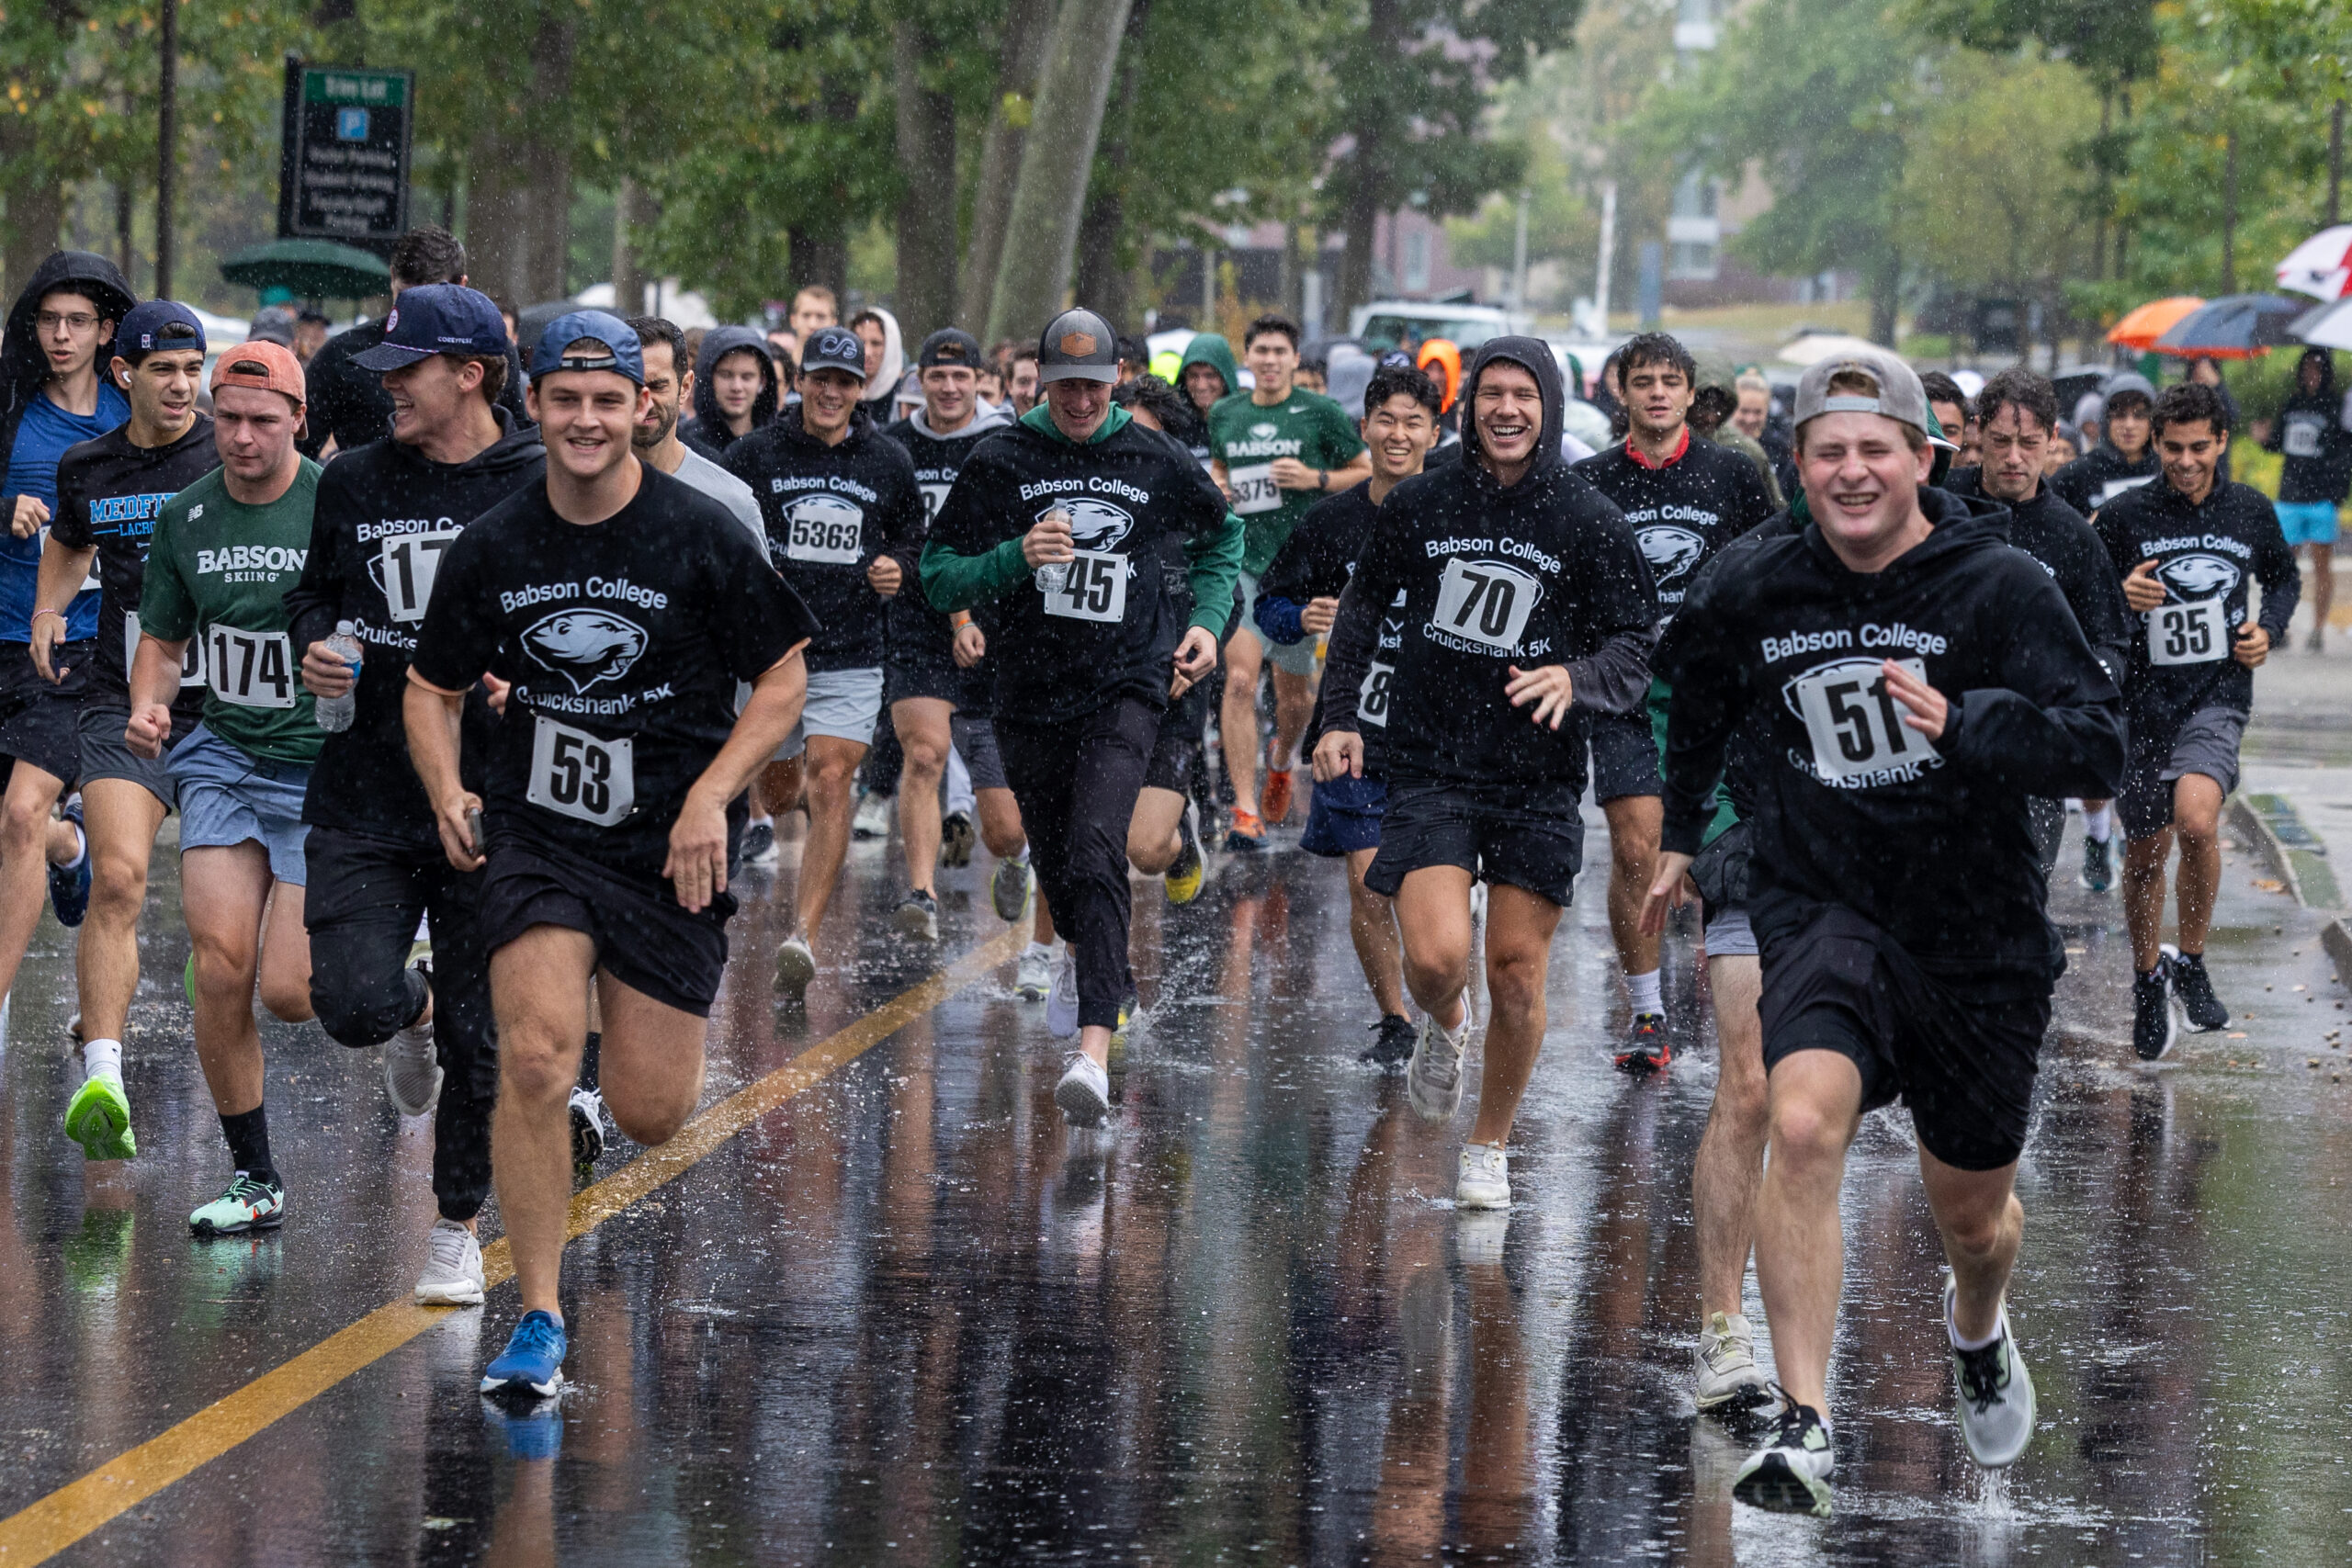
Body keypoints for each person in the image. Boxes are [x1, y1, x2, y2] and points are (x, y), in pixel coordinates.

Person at [1647, 347, 2124, 1514]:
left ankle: (1978, 1325)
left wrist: (1966, 718)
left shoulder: (2000, 583)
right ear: (1797, 468)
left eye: (1875, 450)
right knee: (1799, 1122)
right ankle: (1808, 1423)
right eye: (1827, 452)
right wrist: (1676, 830)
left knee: (1972, 1218)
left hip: (1976, 927)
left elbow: (2096, 743)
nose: (1851, 472)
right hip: (1822, 898)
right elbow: (1695, 691)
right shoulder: (1752, 583)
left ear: (1923, 458)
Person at [405, 310, 815, 1400]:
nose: (585, 420)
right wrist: (448, 785)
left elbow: (782, 680)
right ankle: (537, 1313)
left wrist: (712, 798)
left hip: (669, 841)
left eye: (606, 400)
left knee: (648, 1112)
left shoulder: (699, 531)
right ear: (532, 408)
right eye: (564, 400)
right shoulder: (493, 542)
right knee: (535, 1057)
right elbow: (431, 687)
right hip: (537, 830)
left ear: (643, 405)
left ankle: (616, 1051)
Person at [1317, 337, 1657, 1210]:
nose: (1507, 410)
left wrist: (1573, 678)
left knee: (1514, 968)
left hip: (1536, 774)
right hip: (1431, 759)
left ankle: (1489, 1143)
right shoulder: (1425, 500)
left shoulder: (1587, 519)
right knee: (1435, 960)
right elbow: (1362, 610)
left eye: (1524, 396)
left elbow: (1632, 650)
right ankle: (1446, 1025)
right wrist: (1340, 714)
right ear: (1467, 406)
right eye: (1491, 395)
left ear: (1547, 408)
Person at [283, 284, 547, 1303]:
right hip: (364, 789)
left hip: (493, 798)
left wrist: (524, 676)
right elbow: (315, 592)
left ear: (471, 375)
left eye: (408, 371)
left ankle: (453, 1226)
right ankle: (412, 1008)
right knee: (346, 1003)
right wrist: (320, 641)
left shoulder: (535, 482)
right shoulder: (352, 480)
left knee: (485, 1033)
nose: (385, 385)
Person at [922, 309, 1239, 1126]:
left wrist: (1205, 623)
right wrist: (1011, 558)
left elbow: (1222, 539)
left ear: (1113, 382)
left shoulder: (1151, 452)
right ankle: (1083, 958)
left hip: (1127, 684)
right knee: (1061, 864)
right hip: (1026, 691)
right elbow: (939, 575)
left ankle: (1092, 1050)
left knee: (1102, 845)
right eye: (1063, 386)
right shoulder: (1002, 457)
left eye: (1093, 386)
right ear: (1038, 383)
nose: (1079, 400)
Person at [128, 341, 325, 1235]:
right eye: (228, 418)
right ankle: (255, 1177)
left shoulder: (335, 505)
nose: (240, 438)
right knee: (220, 968)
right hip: (224, 757)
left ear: (298, 420)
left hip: (323, 767)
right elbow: (165, 642)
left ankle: (410, 971)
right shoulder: (187, 516)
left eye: (261, 420)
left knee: (289, 990)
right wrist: (147, 707)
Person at [1571, 332, 1777, 1073]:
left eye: (1670, 381)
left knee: (1705, 859)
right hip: (1624, 685)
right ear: (1620, 392)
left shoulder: (1732, 475)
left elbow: (1767, 571)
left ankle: (1740, 982)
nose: (1657, 393)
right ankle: (1648, 1008)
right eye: (1643, 381)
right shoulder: (1591, 481)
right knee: (1636, 845)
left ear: (1692, 394)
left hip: (1712, 690)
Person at [42, 300, 217, 1162]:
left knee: (229, 928)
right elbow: (71, 544)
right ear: (125, 376)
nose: (182, 385)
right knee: (115, 878)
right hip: (122, 699)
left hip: (230, 710)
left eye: (193, 369)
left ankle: (219, 957)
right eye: (163, 370)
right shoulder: (89, 466)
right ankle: (103, 1074)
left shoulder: (235, 451)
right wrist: (48, 607)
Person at [2102, 381, 2298, 1061]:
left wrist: (2265, 629)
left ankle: (2190, 957)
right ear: (2156, 443)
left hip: (2215, 695)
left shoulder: (2248, 510)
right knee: (2146, 850)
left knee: (2196, 820)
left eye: (2199, 447)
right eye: (2173, 448)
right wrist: (2120, 593)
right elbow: (2087, 595)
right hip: (2140, 702)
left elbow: (2284, 578)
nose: (2186, 461)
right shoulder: (2124, 515)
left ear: (2221, 442)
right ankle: (2147, 977)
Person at [1255, 362, 1442, 1066]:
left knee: (1430, 890)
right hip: (1352, 723)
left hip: (1436, 732)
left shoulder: (1456, 511)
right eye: (1385, 421)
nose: (1398, 434)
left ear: (1434, 432)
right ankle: (1395, 1020)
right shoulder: (1332, 521)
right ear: (1363, 429)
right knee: (1367, 877)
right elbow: (1269, 604)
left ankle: (1442, 1002)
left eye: (1412, 422)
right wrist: (1302, 613)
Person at [726, 325, 922, 996]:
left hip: (851, 649)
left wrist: (901, 566)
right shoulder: (757, 454)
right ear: (801, 382)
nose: (832, 392)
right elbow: (725, 532)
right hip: (774, 653)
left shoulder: (887, 461)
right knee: (779, 791)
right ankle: (775, 806)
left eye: (845, 382)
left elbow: (914, 537)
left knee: (831, 777)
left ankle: (801, 935)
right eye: (821, 379)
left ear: (861, 389)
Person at [0, 252, 133, 1012]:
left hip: (78, 649)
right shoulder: (12, 403)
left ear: (105, 329)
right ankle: (68, 844)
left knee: (19, 812)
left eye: (77, 322)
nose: (60, 335)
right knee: (18, 826)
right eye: (49, 320)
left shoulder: (130, 416)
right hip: (3, 634)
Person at [1942, 368, 2131, 890]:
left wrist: (2079, 694)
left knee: (2016, 897)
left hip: (2028, 749)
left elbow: (2111, 641)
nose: (2013, 457)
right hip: (1936, 738)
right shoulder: (1937, 506)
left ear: (2053, 439)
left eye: (2029, 443)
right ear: (1977, 432)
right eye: (2000, 441)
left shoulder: (2071, 535)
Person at [1206, 313, 1370, 849]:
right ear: (1247, 359)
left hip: (1299, 571)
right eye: (1261, 351)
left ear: (1296, 359)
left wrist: (1314, 478)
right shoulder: (1226, 413)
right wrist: (1220, 486)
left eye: (1280, 351)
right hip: (1244, 564)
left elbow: (1365, 469)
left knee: (1294, 699)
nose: (1270, 360)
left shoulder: (1320, 413)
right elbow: (1219, 468)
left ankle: (1280, 761)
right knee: (1238, 680)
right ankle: (1244, 811)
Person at [881, 327, 1019, 937]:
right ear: (918, 381)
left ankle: (1015, 858)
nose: (949, 386)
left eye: (961, 375)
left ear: (978, 382)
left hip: (994, 623)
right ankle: (921, 892)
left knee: (1005, 828)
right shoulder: (895, 448)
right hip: (917, 621)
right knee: (925, 752)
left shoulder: (1001, 446)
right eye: (937, 376)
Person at [1108, 372, 1232, 916]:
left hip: (1176, 690)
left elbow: (1227, 598)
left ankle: (1179, 838)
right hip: (1104, 688)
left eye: (1148, 437)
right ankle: (1102, 980)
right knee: (1095, 837)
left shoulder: (1193, 507)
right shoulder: (1093, 505)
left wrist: (1200, 643)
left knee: (1145, 849)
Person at [300, 227, 527, 457]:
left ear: (461, 286)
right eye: (405, 299)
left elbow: (514, 438)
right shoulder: (342, 355)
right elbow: (298, 455)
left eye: (429, 303)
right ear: (392, 278)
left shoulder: (492, 348)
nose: (413, 314)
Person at [2260, 346, 2352, 649]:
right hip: (2290, 495)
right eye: (2307, 368)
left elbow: (2344, 453)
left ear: (2326, 373)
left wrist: (2336, 493)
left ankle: (2317, 627)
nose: (2312, 374)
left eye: (2318, 368)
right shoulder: (2292, 403)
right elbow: (2276, 444)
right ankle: (2280, 626)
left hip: (2321, 498)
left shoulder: (2336, 407)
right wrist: (2263, 436)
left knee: (2322, 566)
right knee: (2284, 565)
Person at [2051, 371, 2158, 516]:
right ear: (2106, 420)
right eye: (2120, 415)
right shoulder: (2078, 474)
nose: (2129, 425)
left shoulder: (2167, 469)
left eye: (2139, 415)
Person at [685, 327, 778, 457]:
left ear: (762, 382)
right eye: (726, 375)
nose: (737, 387)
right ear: (708, 378)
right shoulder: (685, 444)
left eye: (747, 377)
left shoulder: (777, 444)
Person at [850, 307, 906, 423]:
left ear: (891, 346)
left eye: (876, 343)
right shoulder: (843, 390)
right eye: (860, 342)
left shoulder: (903, 394)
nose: (867, 352)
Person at [1005, 344, 1041, 416]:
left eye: (1040, 382)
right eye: (1023, 382)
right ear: (1009, 386)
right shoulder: (997, 425)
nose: (1032, 393)